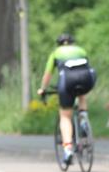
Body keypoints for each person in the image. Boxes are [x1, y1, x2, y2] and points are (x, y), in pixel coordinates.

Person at [37, 33, 96, 164]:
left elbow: (47, 75)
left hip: (67, 80)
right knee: (81, 92)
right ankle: (83, 119)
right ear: (72, 43)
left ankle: (68, 149)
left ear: (59, 44)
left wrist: (43, 89)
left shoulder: (56, 53)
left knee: (65, 116)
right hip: (87, 78)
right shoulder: (81, 50)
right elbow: (85, 68)